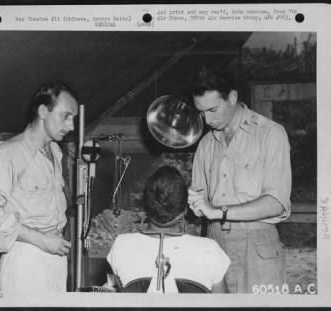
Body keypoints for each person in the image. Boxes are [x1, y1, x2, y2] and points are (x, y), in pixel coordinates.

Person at [188, 65, 292, 293]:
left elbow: (277, 202)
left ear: (232, 97)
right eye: (201, 112)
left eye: (213, 110)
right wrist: (194, 203)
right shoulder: (205, 144)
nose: (206, 120)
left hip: (257, 247)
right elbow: (200, 200)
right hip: (213, 244)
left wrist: (220, 211)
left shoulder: (271, 133)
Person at [0, 80, 78, 292]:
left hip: (55, 254)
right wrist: (40, 240)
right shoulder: (8, 154)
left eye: (74, 119)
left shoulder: (55, 151)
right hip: (25, 259)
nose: (71, 126)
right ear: (43, 111)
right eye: (66, 116)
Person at [107, 166, 230, 293]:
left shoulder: (122, 245)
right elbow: (224, 306)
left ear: (145, 205)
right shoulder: (209, 249)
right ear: (185, 209)